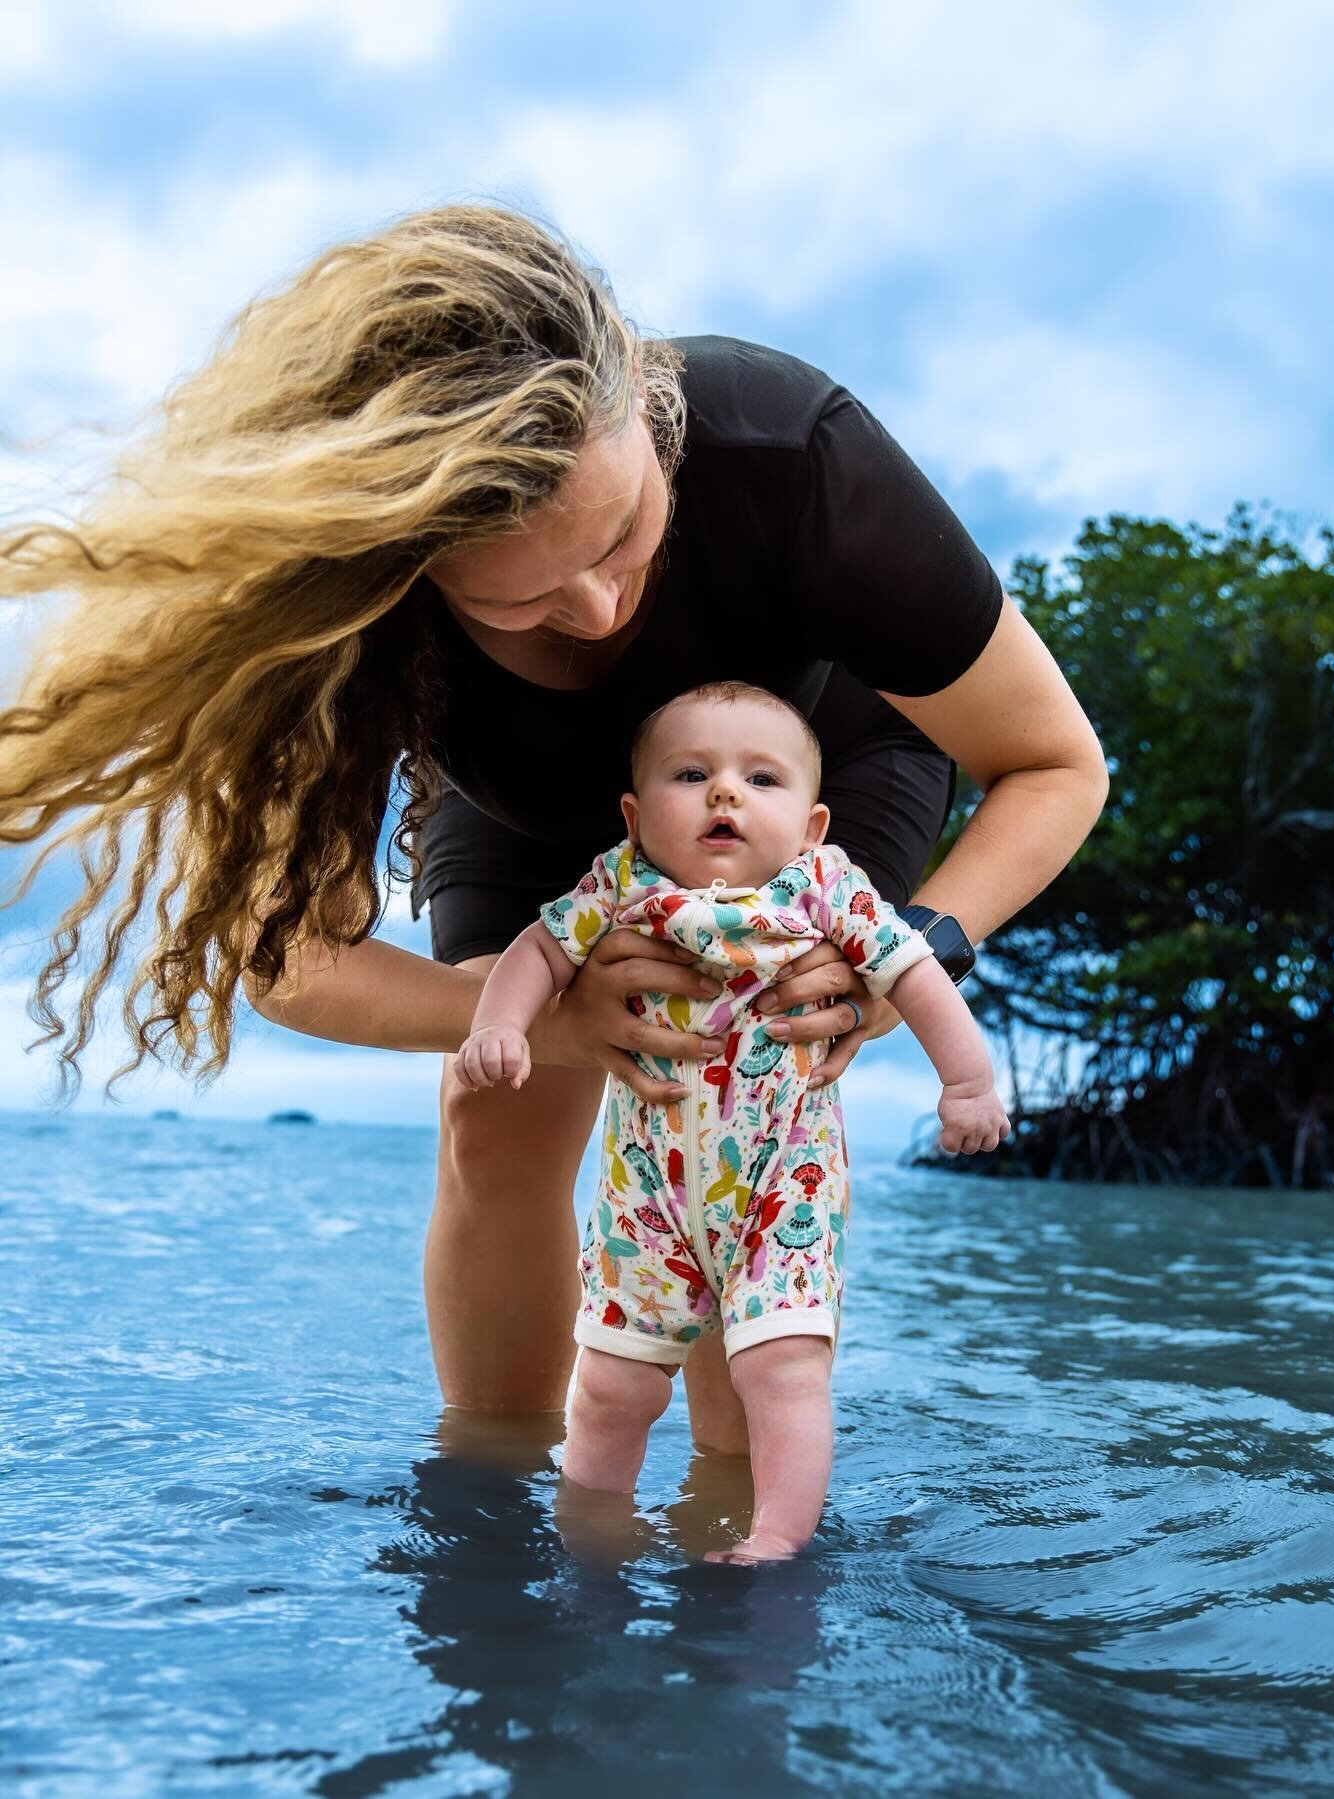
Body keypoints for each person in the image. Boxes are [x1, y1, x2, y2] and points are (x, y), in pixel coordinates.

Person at [0, 204, 1108, 1465]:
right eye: (520, 599)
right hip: (518, 799)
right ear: (403, 570)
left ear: (641, 397)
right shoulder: (345, 612)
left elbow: (1055, 763)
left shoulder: (795, 453)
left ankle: (729, 1516)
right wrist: (538, 1015)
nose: (596, 610)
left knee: (732, 1052)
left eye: (625, 538)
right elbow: (282, 955)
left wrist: (905, 952)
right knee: (501, 1105)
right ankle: (493, 1496)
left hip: (807, 756)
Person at [455, 680, 1009, 1562]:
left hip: (780, 1192)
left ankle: (777, 1540)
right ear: (635, 817)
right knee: (610, 1386)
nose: (725, 792)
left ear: (813, 826)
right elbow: (538, 947)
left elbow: (913, 972)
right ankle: (592, 1532)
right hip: (648, 1203)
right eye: (691, 773)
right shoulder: (620, 884)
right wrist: (499, 1022)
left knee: (781, 1373)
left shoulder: (829, 889)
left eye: (761, 777)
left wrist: (969, 1080)